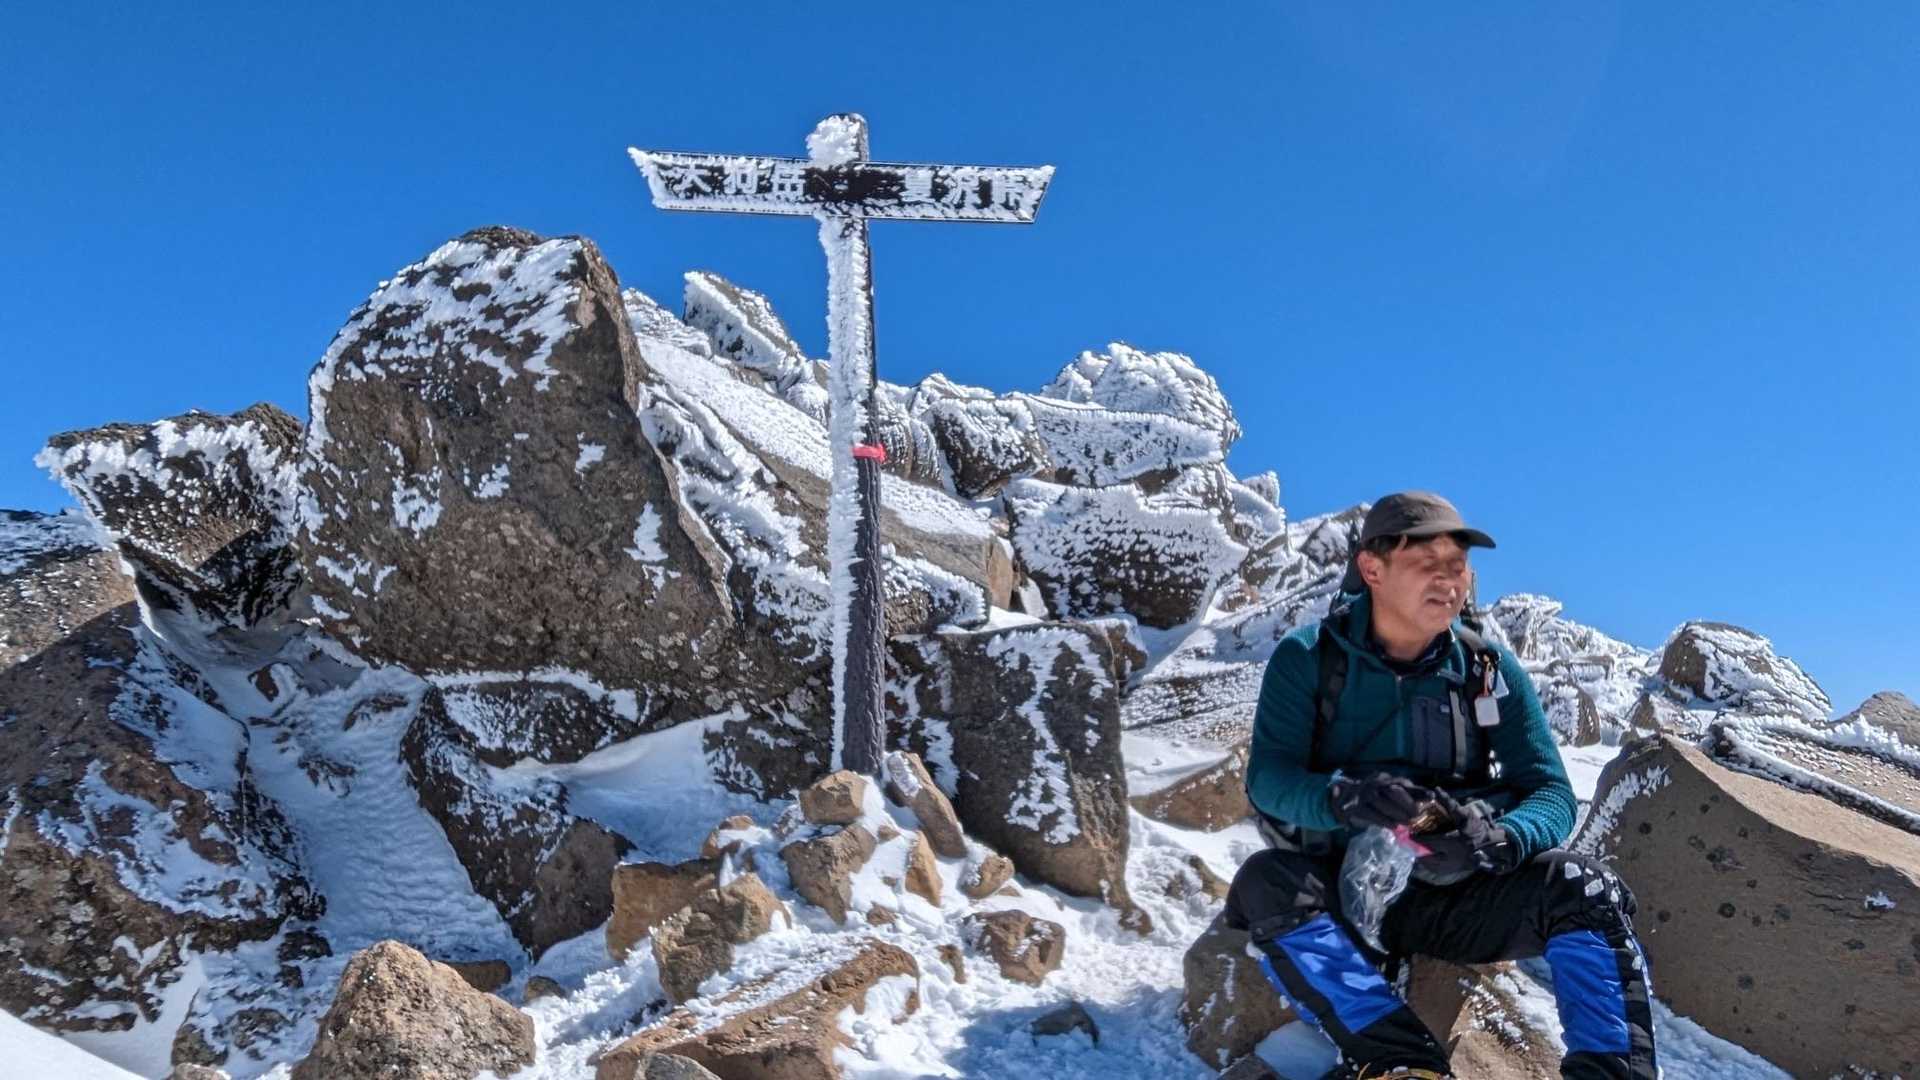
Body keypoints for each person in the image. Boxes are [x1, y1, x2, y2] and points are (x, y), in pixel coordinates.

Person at [1228, 492, 1657, 1080]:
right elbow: (1269, 780)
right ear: (1371, 568)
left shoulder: (1487, 670)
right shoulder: (1307, 658)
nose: (1448, 580)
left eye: (1457, 565)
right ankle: (1401, 1063)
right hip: (1338, 893)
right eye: (1425, 563)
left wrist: (1498, 839)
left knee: (1586, 889)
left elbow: (1551, 792)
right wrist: (1343, 798)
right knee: (1266, 884)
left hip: (1455, 892)